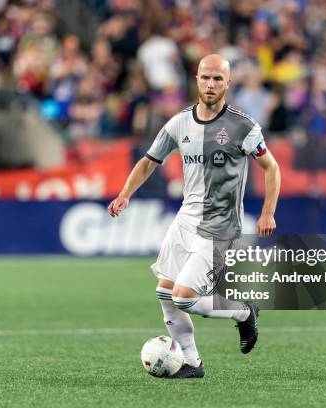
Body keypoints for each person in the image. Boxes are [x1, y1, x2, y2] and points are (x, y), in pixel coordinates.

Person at [107, 54, 281, 379]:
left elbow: (271, 167)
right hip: (186, 219)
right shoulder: (178, 123)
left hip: (220, 227)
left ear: (228, 83)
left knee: (184, 298)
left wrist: (268, 211)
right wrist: (124, 194)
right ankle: (191, 362)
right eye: (205, 78)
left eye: (218, 79)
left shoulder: (243, 126)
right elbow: (149, 161)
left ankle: (244, 312)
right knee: (164, 292)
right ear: (196, 80)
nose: (211, 84)